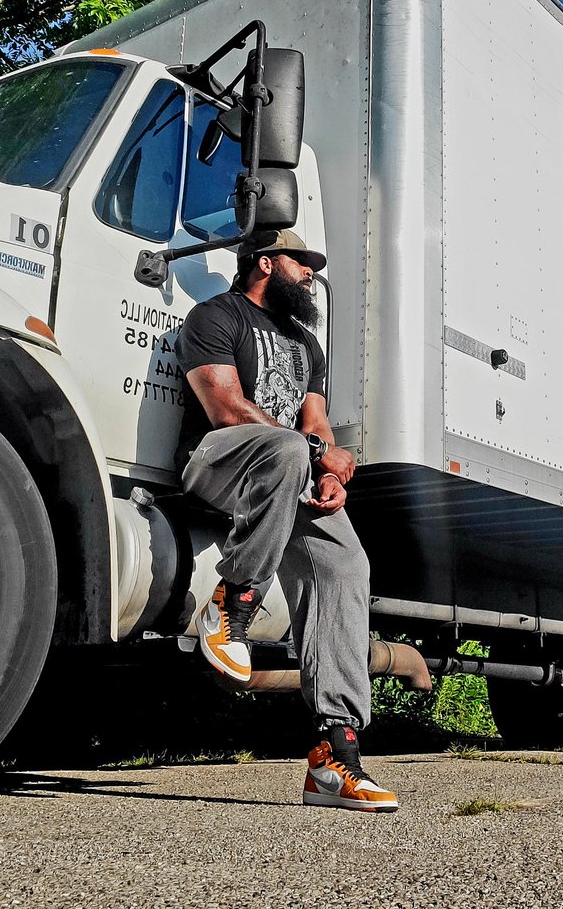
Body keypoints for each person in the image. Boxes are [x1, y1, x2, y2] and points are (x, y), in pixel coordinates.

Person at [174, 228, 398, 813]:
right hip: (219, 464)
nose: (310, 275)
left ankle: (335, 758)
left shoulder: (305, 344)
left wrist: (329, 475)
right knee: (287, 449)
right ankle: (232, 604)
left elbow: (314, 422)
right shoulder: (215, 316)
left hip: (290, 474)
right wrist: (317, 453)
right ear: (266, 263)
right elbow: (226, 410)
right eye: (301, 263)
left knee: (346, 563)